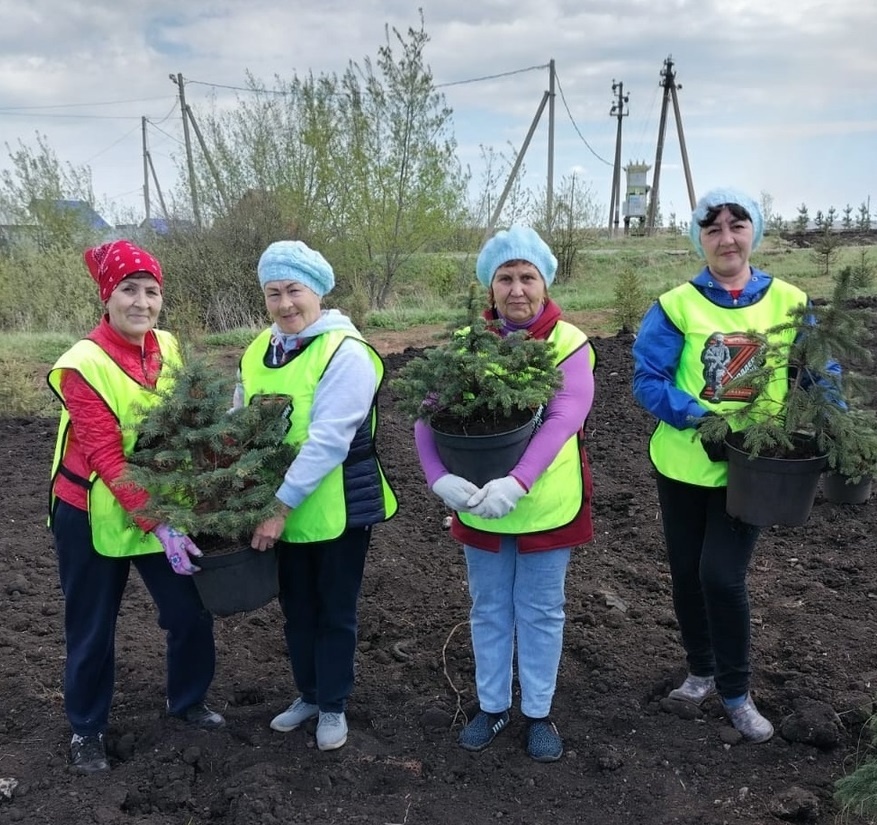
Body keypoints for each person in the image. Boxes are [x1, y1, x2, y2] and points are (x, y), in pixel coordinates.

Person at [632, 187, 821, 743]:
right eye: (712, 228)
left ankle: (736, 694)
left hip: (756, 469)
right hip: (683, 465)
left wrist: (833, 428)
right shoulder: (676, 306)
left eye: (737, 225)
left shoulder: (790, 301)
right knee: (687, 573)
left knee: (720, 574)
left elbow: (818, 375)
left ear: (753, 232)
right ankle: (700, 672)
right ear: (700, 240)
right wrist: (701, 419)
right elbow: (648, 380)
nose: (726, 238)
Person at [414, 226, 596, 762]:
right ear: (489, 287)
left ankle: (538, 713)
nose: (517, 290)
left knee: (541, 610)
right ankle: (492, 706)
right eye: (505, 278)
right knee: (489, 606)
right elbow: (427, 414)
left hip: (546, 505)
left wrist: (517, 482)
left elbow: (564, 417)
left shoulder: (569, 343)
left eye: (527, 277)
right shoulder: (468, 343)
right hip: (479, 504)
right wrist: (437, 477)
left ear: (545, 283)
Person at [48, 240, 223, 776]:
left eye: (151, 291)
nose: (141, 302)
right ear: (107, 296)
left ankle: (187, 700)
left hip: (160, 505)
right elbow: (106, 455)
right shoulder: (82, 364)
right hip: (90, 511)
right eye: (129, 290)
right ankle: (86, 729)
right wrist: (161, 526)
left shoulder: (166, 346)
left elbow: (189, 418)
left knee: (190, 611)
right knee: (92, 624)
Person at [235, 240, 398, 752]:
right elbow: (240, 421)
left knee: (334, 611)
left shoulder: (345, 352)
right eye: (273, 293)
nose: (285, 304)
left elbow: (329, 440)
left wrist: (278, 507)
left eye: (294, 290)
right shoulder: (258, 350)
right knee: (297, 609)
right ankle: (308, 694)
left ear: (317, 292)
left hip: (335, 510)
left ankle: (333, 705)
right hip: (277, 510)